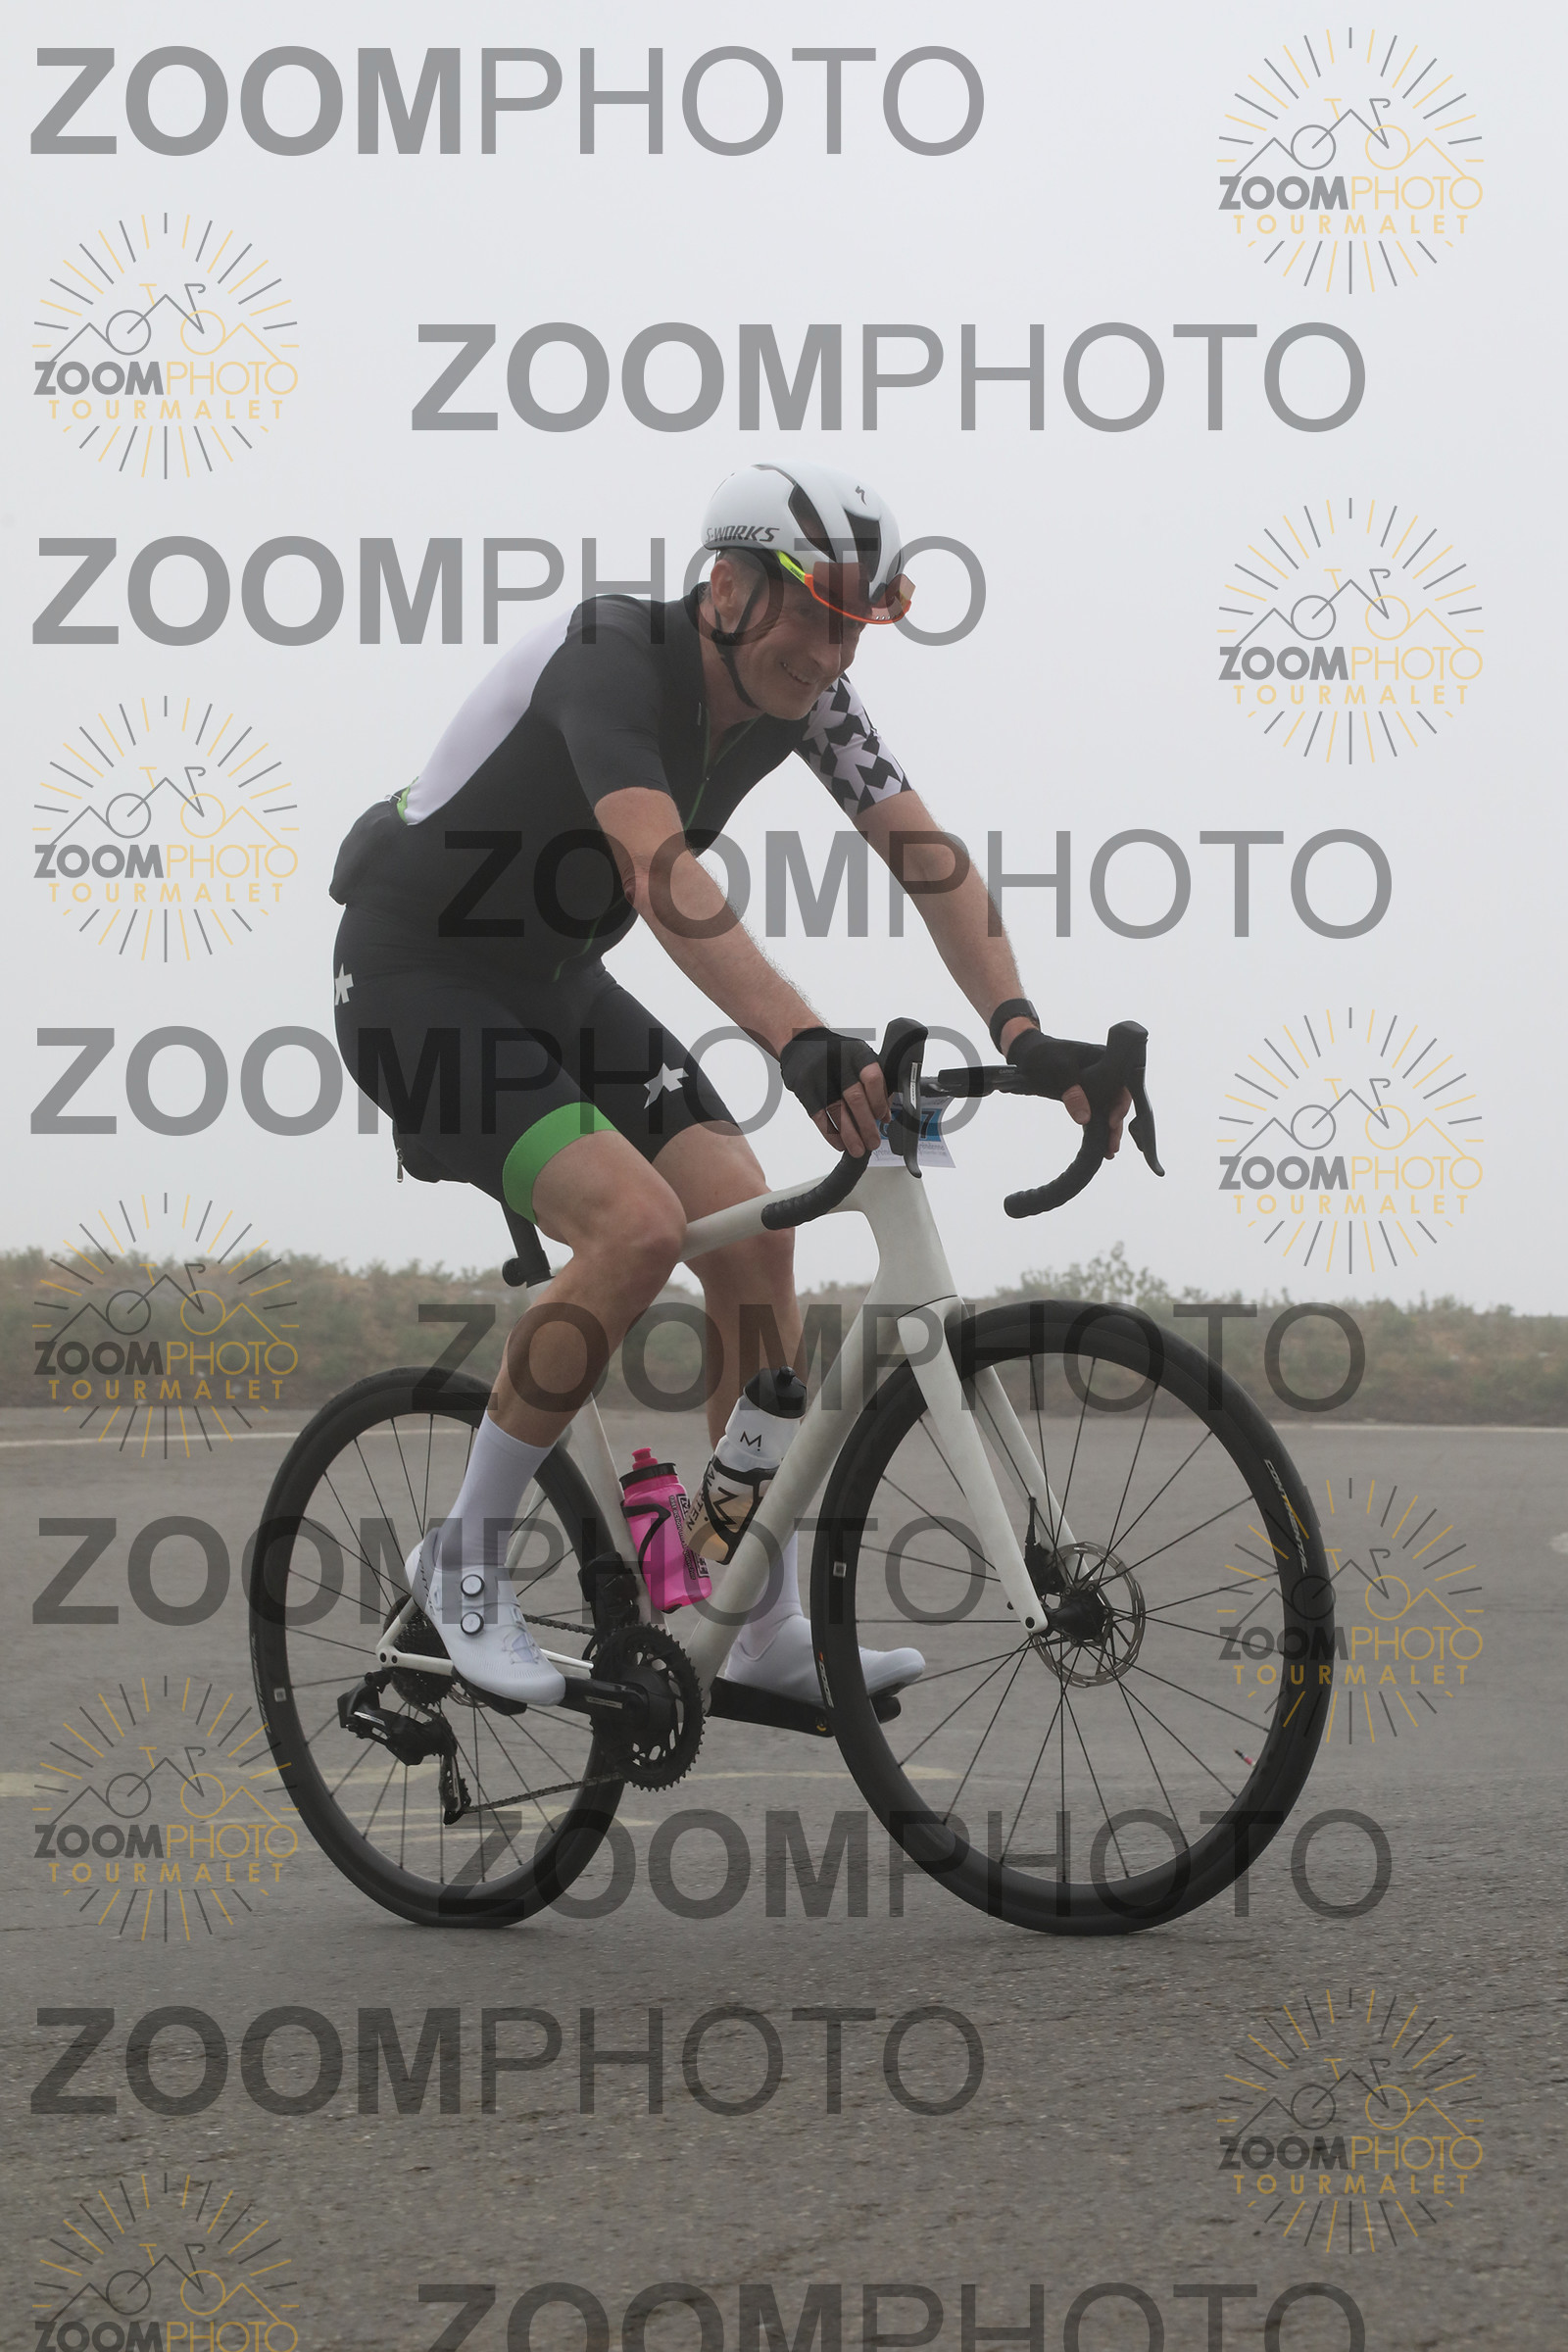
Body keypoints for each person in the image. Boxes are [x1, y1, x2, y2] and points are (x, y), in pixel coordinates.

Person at [330, 461, 1124, 1708]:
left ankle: (750, 1615)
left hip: (553, 980)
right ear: (729, 588)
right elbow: (658, 875)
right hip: (413, 979)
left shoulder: (814, 703)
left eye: (854, 628)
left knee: (757, 1243)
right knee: (635, 1226)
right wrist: (801, 1040)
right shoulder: (609, 658)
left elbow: (928, 862)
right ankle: (461, 1559)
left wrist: (1024, 1035)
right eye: (814, 615)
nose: (830, 654)